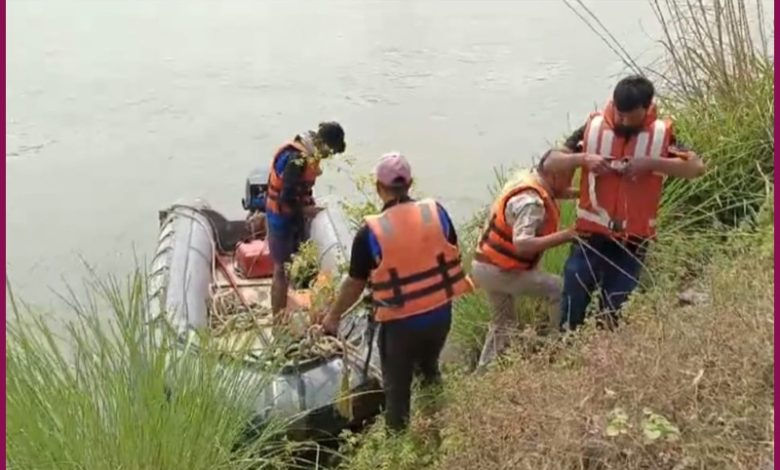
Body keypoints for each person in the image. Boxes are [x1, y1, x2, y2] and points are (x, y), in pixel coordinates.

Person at [320, 152, 474, 432]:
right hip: (440, 315)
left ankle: (399, 448)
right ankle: (438, 430)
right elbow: (449, 250)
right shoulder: (436, 212)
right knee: (429, 369)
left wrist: (332, 318)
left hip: (401, 325)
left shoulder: (371, 231)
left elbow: (354, 283)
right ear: (410, 183)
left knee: (397, 393)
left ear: (378, 187)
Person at [542, 75, 705, 331]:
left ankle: (605, 355)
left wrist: (650, 164)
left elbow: (696, 167)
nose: (622, 121)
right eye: (619, 113)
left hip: (633, 241)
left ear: (646, 107)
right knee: (573, 296)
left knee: (615, 306)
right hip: (589, 237)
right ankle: (566, 346)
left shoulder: (663, 135)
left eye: (630, 116)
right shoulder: (594, 126)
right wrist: (585, 159)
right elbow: (549, 161)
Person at [471, 160, 577, 371]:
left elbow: (556, 191)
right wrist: (568, 235)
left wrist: (582, 194)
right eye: (568, 178)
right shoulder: (532, 204)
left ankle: (483, 373)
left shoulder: (526, 179)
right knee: (558, 287)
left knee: (502, 325)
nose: (569, 184)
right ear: (554, 176)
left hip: (483, 265)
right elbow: (523, 244)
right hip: (502, 271)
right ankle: (560, 348)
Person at [266, 121, 346, 318]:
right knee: (280, 270)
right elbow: (286, 197)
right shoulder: (296, 159)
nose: (329, 156)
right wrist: (306, 210)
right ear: (325, 144)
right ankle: (278, 322)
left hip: (292, 215)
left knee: (292, 265)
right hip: (280, 218)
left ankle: (290, 308)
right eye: (332, 151)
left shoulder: (308, 150)